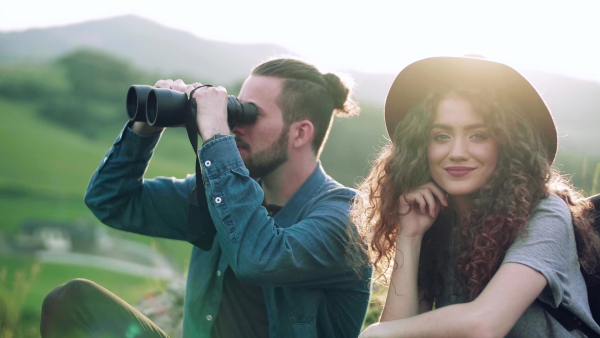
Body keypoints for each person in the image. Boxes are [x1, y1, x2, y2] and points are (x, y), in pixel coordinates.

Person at [40, 57, 373, 338]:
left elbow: (259, 257)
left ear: (300, 132)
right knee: (72, 299)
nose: (234, 124)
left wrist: (216, 132)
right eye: (233, 109)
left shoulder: (345, 216)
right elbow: (109, 200)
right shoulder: (220, 195)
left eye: (249, 114)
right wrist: (145, 128)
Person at [352, 56, 600, 337]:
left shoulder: (544, 215)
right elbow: (398, 330)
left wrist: (376, 331)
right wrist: (410, 236)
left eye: (478, 136)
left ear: (506, 145)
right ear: (422, 146)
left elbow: (486, 324)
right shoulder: (437, 220)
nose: (457, 151)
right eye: (442, 136)